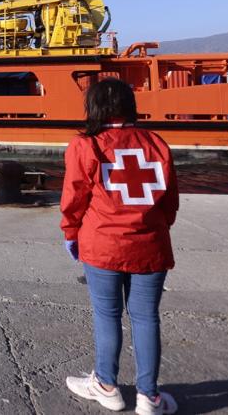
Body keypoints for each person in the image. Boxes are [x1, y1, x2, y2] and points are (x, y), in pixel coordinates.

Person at [61, 78, 180, 415]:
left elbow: (73, 198)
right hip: (151, 246)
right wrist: (154, 229)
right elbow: (170, 201)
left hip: (103, 246)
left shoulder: (86, 146)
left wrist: (71, 232)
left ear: (93, 107)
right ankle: (149, 398)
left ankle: (106, 386)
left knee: (107, 315)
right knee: (146, 318)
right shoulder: (157, 143)